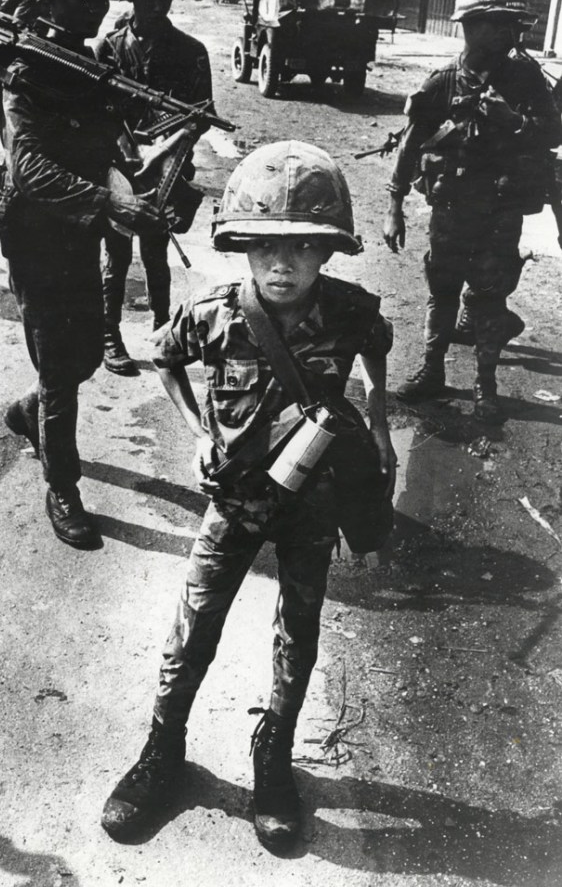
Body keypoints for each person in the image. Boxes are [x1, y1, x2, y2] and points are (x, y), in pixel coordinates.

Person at [101, 140, 396, 849]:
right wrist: (199, 433)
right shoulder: (217, 313)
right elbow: (164, 356)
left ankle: (274, 761)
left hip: (313, 505)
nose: (282, 264)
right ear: (241, 248)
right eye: (264, 246)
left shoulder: (352, 311)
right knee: (192, 628)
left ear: (328, 254)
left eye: (302, 248)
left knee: (299, 633)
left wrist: (380, 422)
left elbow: (380, 347)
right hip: (233, 501)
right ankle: (161, 753)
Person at [0, 0, 166, 549]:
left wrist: (132, 170)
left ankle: (28, 410)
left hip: (81, 231)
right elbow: (30, 168)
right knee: (63, 371)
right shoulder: (24, 69)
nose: (95, 8)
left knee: (86, 356)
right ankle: (62, 487)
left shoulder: (90, 61)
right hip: (36, 235)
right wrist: (112, 206)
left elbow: (108, 137)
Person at [384, 0, 561, 424]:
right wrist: (394, 205)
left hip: (501, 212)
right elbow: (411, 140)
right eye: (498, 22)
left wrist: (514, 122)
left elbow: (553, 133)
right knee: (441, 293)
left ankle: (486, 388)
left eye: (513, 23)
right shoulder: (443, 82)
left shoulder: (527, 79)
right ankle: (432, 372)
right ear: (468, 25)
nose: (510, 32)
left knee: (488, 297)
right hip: (451, 209)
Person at [96, 0, 211, 376]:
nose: (158, 4)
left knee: (156, 253)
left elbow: (199, 117)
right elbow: (98, 111)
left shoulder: (189, 50)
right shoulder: (109, 48)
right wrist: (126, 153)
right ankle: (111, 335)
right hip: (120, 164)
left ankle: (163, 332)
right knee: (117, 254)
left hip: (168, 166)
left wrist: (160, 152)